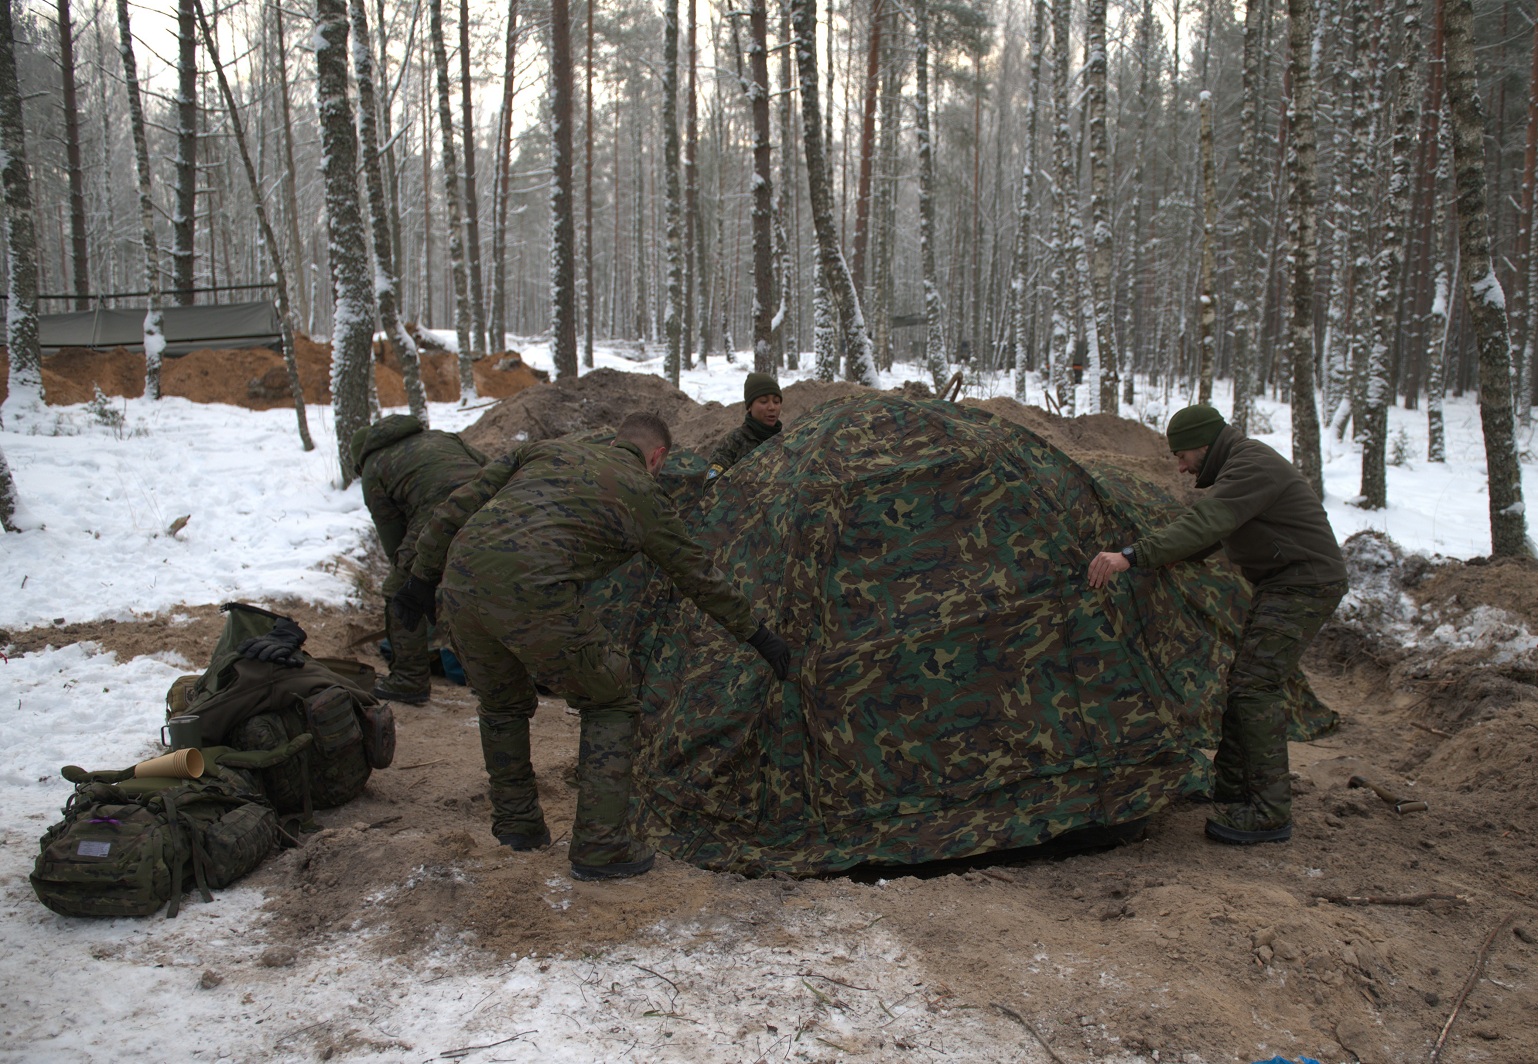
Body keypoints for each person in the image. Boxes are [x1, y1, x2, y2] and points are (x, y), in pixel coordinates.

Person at [392, 412, 792, 880]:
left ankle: (518, 826)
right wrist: (759, 636)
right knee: (611, 699)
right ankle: (601, 845)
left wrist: (419, 579)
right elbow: (698, 576)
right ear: (657, 456)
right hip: (536, 593)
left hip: (460, 585)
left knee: (501, 705)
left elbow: (457, 506)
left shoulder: (545, 450)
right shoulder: (643, 493)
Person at [1086, 404, 1347, 845]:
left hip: (1304, 584)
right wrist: (1151, 557)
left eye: (1182, 455)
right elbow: (1205, 538)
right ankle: (1231, 787)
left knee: (1256, 686)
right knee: (1245, 682)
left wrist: (1131, 557)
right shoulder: (1239, 467)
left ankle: (1268, 813)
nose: (1180, 466)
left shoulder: (1251, 465)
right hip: (1284, 583)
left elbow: (1208, 521)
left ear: (1205, 445)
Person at [352, 414, 487, 705]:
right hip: (492, 502)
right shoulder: (440, 436)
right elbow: (488, 466)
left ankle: (409, 679)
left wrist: (414, 577)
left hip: (441, 511)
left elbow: (391, 533)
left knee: (401, 590)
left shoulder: (374, 467)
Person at [706, 372, 783, 483]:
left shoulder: (787, 441)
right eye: (763, 401)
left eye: (776, 402)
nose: (772, 407)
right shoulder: (732, 443)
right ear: (749, 406)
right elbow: (711, 491)